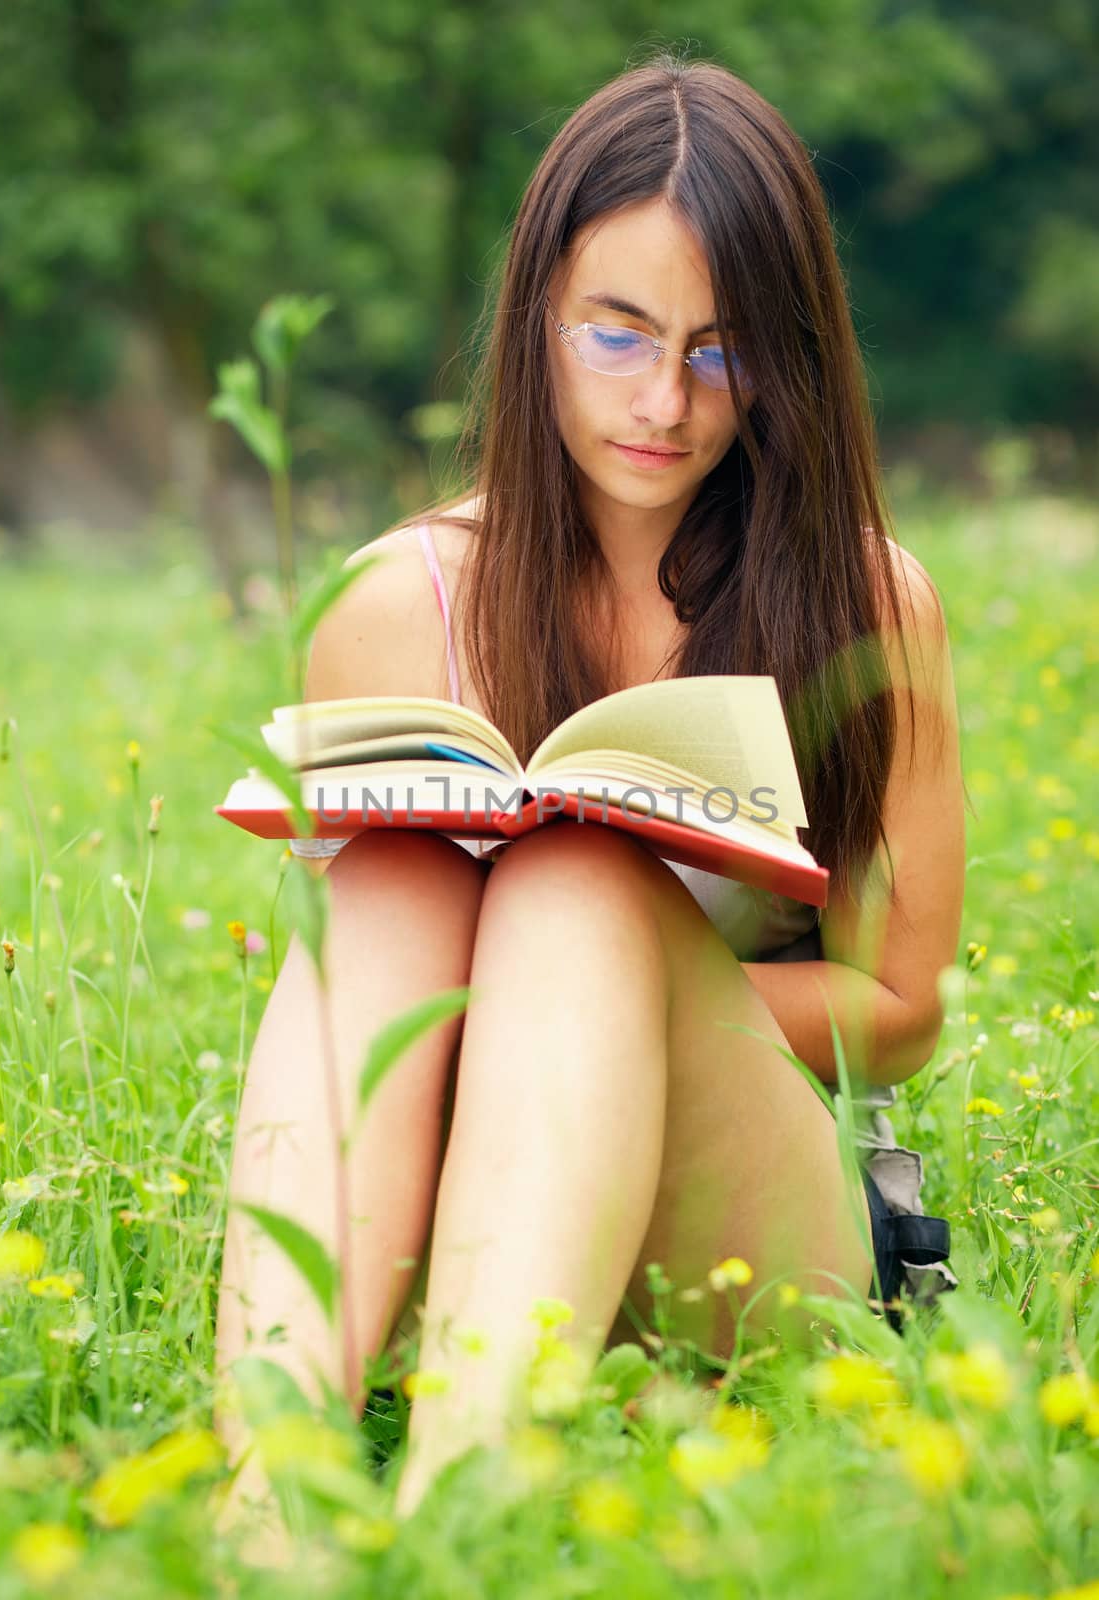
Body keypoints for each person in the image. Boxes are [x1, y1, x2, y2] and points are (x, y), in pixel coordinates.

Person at [214, 52, 966, 1529]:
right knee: (397, 876)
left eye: (721, 350)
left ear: (789, 357)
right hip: (460, 1224)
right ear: (536, 324)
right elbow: (355, 1009)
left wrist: (599, 994)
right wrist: (511, 1012)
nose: (667, 402)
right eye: (616, 336)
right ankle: (268, 1487)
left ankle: (460, 1502)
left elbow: (906, 1004)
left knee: (577, 882)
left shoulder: (872, 603)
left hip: (741, 1223)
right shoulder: (397, 601)